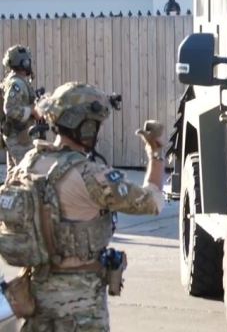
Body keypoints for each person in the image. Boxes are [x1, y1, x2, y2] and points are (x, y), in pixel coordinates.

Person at [9, 82, 165, 331]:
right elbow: (153, 201)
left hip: (34, 296)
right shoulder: (92, 175)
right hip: (81, 309)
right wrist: (155, 154)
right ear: (86, 126)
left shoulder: (28, 163)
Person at [1, 45, 37, 173]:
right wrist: (32, 111)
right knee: (27, 173)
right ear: (24, 62)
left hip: (17, 135)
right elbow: (10, 109)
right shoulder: (16, 83)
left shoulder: (17, 81)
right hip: (18, 137)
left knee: (14, 174)